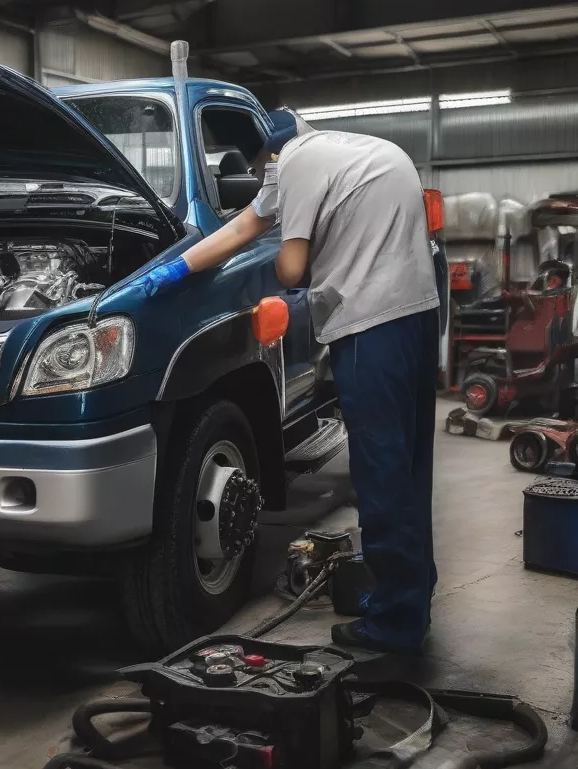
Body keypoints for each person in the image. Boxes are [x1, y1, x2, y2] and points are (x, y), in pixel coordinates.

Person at [140, 112, 440, 656]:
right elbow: (241, 228)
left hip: (371, 323)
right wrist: (170, 271)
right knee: (409, 466)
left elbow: (291, 268)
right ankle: (412, 593)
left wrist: (282, 262)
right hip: (415, 315)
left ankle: (394, 622)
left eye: (260, 169)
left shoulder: (297, 166)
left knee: (380, 471)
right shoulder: (344, 150)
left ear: (270, 157)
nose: (261, 180)